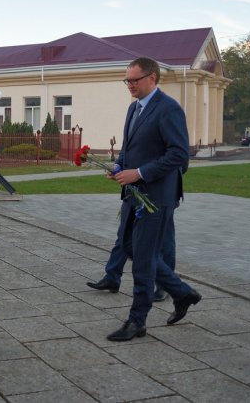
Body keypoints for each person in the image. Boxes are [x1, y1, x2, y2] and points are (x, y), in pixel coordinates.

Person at [103, 57, 201, 342]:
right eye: (127, 80)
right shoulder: (134, 108)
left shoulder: (168, 109)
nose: (130, 85)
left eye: (134, 80)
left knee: (144, 259)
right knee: (129, 247)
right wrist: (119, 167)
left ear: (152, 78)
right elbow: (130, 147)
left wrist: (140, 173)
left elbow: (179, 154)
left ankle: (137, 321)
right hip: (134, 195)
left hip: (157, 196)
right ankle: (183, 293)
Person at [86, 216, 175, 302]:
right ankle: (112, 278)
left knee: (164, 237)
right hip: (133, 201)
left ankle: (165, 285)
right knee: (124, 235)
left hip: (163, 203)